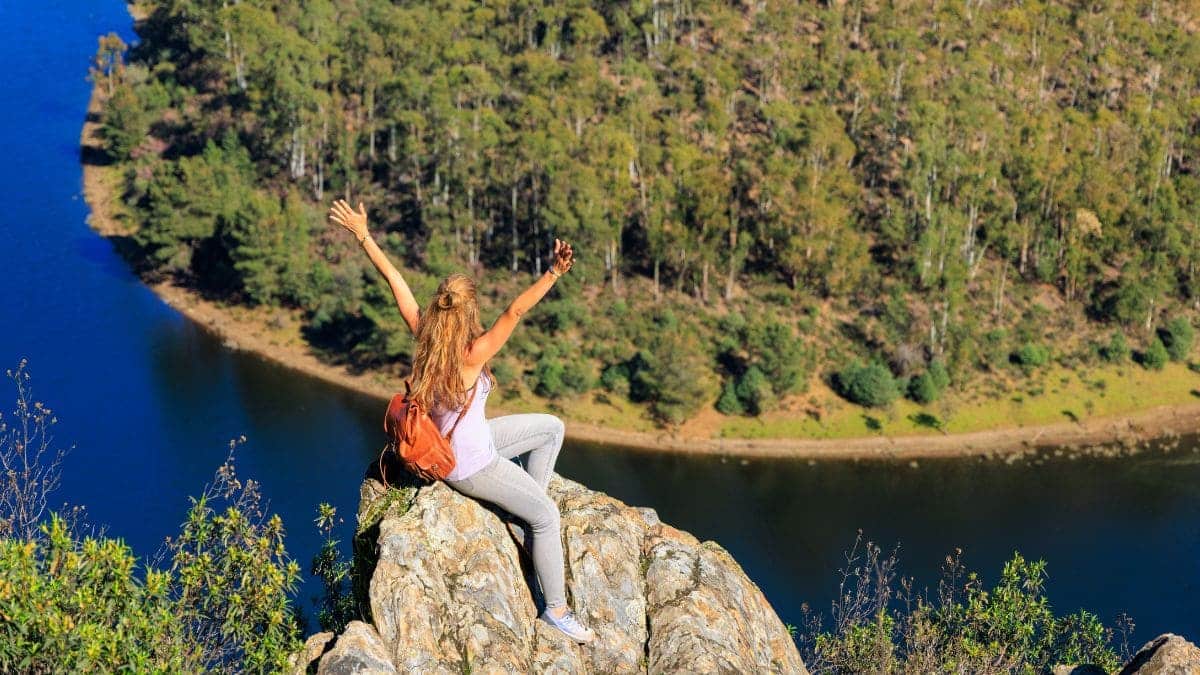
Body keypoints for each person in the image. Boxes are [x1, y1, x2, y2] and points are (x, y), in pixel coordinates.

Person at [328, 199, 595, 644]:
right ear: (469, 313)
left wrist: (363, 235)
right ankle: (556, 610)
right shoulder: (473, 355)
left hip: (476, 443)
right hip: (470, 466)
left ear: (438, 306)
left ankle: (518, 510)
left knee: (552, 427)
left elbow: (394, 279)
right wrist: (552, 273)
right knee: (547, 518)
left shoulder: (424, 335)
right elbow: (514, 312)